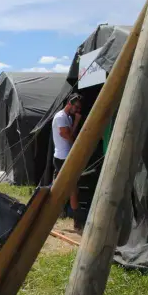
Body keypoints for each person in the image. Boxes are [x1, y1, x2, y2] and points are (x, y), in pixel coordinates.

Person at [52, 93, 82, 223]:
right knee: (72, 188)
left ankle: (60, 212)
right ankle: (77, 220)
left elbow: (71, 133)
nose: (77, 110)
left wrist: (76, 121)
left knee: (65, 187)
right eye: (76, 107)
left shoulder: (68, 118)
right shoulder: (60, 117)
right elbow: (65, 135)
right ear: (69, 103)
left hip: (65, 156)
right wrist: (75, 143)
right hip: (62, 157)